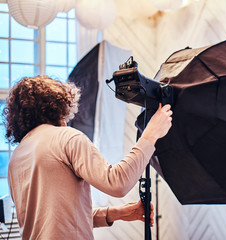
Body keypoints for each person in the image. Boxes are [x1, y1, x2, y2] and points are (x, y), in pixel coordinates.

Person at [4, 76, 173, 239]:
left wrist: (117, 213)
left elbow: (57, 220)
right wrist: (151, 133)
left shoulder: (17, 157)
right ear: (57, 106)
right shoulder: (66, 138)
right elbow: (118, 183)